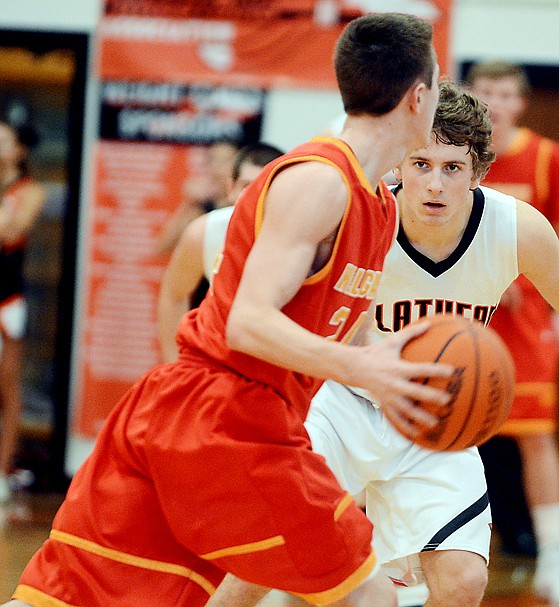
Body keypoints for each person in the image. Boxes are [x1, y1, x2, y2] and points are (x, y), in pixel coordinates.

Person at [197, 81, 559, 607]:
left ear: (479, 172)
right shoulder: (358, 215)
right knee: (265, 565)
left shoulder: (515, 229)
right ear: (400, 164)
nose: (434, 184)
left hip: (435, 423)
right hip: (341, 405)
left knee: (463, 582)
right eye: (421, 165)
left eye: (452, 168)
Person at [6, 13, 447, 607]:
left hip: (212, 417)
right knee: (370, 596)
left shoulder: (378, 207)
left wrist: (400, 375)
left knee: (76, 600)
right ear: (418, 97)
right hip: (228, 417)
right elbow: (248, 320)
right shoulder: (319, 182)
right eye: (439, 84)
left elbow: (338, 331)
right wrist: (359, 370)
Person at [466, 60, 559, 604]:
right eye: (484, 90)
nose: (493, 100)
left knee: (537, 437)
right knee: (450, 433)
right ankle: (428, 556)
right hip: (464, 313)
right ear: (469, 94)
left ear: (521, 102)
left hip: (528, 317)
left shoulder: (545, 155)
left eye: (504, 92)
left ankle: (553, 559)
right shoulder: (454, 151)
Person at [157, 142, 284, 362]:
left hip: (275, 365)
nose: (254, 196)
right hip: (215, 359)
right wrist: (173, 363)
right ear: (231, 187)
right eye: (246, 186)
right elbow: (173, 293)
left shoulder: (303, 237)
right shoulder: (206, 229)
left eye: (264, 187)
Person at [0, 119, 46, 504]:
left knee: (7, 382)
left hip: (7, 299)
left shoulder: (29, 191)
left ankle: (3, 468)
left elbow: (11, 231)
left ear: (19, 150)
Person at [154, 137, 242, 257]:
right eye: (212, 160)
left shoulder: (243, 204)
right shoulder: (202, 205)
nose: (217, 168)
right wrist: (189, 203)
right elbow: (162, 248)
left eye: (224, 161)